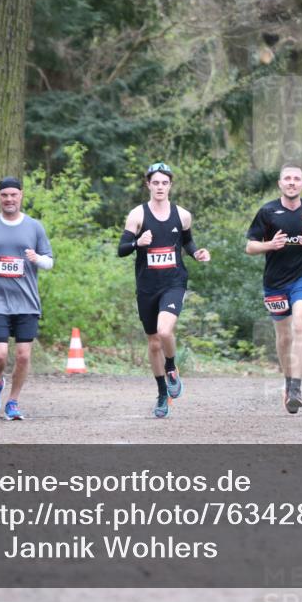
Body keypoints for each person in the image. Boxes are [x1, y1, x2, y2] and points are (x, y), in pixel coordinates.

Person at [118, 162, 210, 418]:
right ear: (148, 184)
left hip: (173, 282)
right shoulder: (137, 215)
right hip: (147, 286)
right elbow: (121, 249)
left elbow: (187, 242)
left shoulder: (182, 215)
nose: (160, 187)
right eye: (155, 182)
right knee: (153, 343)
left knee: (164, 331)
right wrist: (138, 243)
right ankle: (162, 394)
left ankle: (171, 367)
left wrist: (197, 253)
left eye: (164, 183)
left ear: (170, 185)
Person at [0, 177, 54, 421]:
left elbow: (50, 260)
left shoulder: (34, 227)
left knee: (24, 355)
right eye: (4, 195)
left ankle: (13, 402)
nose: (9, 199)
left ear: (21, 195)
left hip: (26, 301)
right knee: (0, 355)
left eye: (13, 195)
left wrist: (37, 259)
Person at [245, 165, 302, 414]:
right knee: (284, 336)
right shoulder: (268, 211)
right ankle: (288, 381)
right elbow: (250, 246)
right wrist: (270, 244)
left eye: (297, 179)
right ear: (280, 184)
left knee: (300, 323)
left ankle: (296, 390)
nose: (292, 183)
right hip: (275, 282)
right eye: (287, 179)